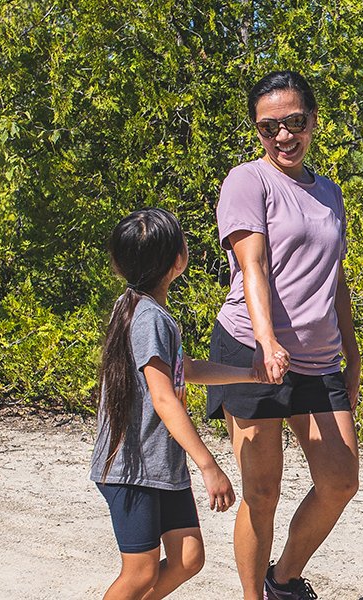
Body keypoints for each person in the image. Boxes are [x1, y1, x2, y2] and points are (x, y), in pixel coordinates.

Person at [207, 70, 361, 600]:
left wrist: (353, 354)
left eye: (294, 122)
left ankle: (284, 577)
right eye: (269, 127)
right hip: (251, 349)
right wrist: (268, 342)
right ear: (258, 132)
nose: (283, 136)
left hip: (319, 359)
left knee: (341, 480)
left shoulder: (329, 194)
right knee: (262, 491)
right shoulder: (247, 181)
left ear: (313, 121)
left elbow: (333, 277)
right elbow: (253, 267)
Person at [89, 207, 258, 600]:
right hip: (131, 468)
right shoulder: (148, 317)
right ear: (175, 261)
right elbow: (164, 396)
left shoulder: (145, 308)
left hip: (159, 464)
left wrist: (250, 373)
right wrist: (209, 465)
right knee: (141, 572)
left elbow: (183, 370)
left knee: (187, 558)